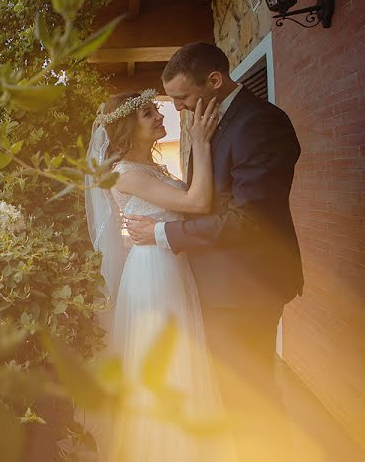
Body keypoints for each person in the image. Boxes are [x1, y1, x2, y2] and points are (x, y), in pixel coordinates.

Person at [124, 42, 303, 461]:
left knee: (250, 395)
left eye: (183, 97)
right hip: (218, 286)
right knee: (231, 395)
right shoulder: (213, 123)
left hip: (245, 288)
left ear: (215, 81)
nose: (180, 109)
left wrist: (164, 233)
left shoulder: (260, 124)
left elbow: (249, 220)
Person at [82, 88, 235, 461]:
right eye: (148, 113)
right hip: (153, 274)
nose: (160, 115)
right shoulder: (124, 174)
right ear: (127, 127)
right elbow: (196, 202)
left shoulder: (152, 168)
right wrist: (198, 141)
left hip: (173, 265)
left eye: (155, 109)